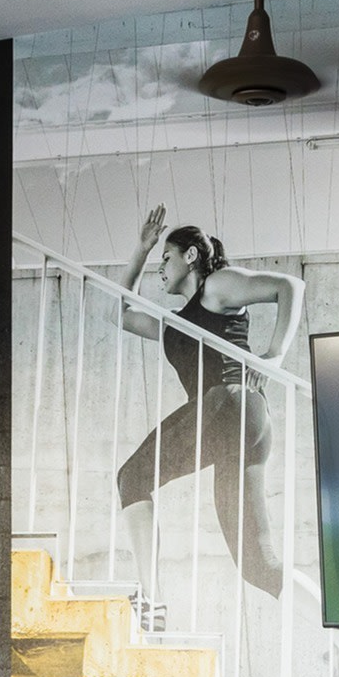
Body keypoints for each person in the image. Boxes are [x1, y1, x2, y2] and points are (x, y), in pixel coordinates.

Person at [116, 209, 301, 606]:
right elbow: (119, 313)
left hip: (229, 402)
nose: (160, 268)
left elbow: (290, 286)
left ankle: (151, 599)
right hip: (241, 424)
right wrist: (142, 249)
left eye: (166, 257)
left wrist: (275, 355)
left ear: (191, 256)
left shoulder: (216, 288)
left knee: (132, 477)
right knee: (257, 564)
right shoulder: (174, 324)